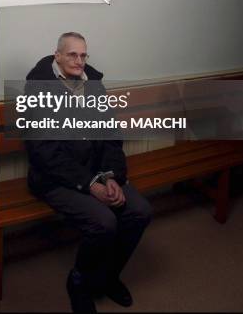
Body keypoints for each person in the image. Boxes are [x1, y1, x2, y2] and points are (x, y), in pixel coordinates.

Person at [25, 32, 152, 314]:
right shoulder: (37, 89)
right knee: (104, 222)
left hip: (97, 172)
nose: (79, 61)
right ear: (57, 55)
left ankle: (107, 276)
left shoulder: (93, 84)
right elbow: (44, 153)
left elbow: (110, 136)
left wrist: (111, 177)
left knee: (140, 210)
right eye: (72, 54)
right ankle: (79, 280)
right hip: (55, 179)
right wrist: (90, 183)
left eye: (83, 55)